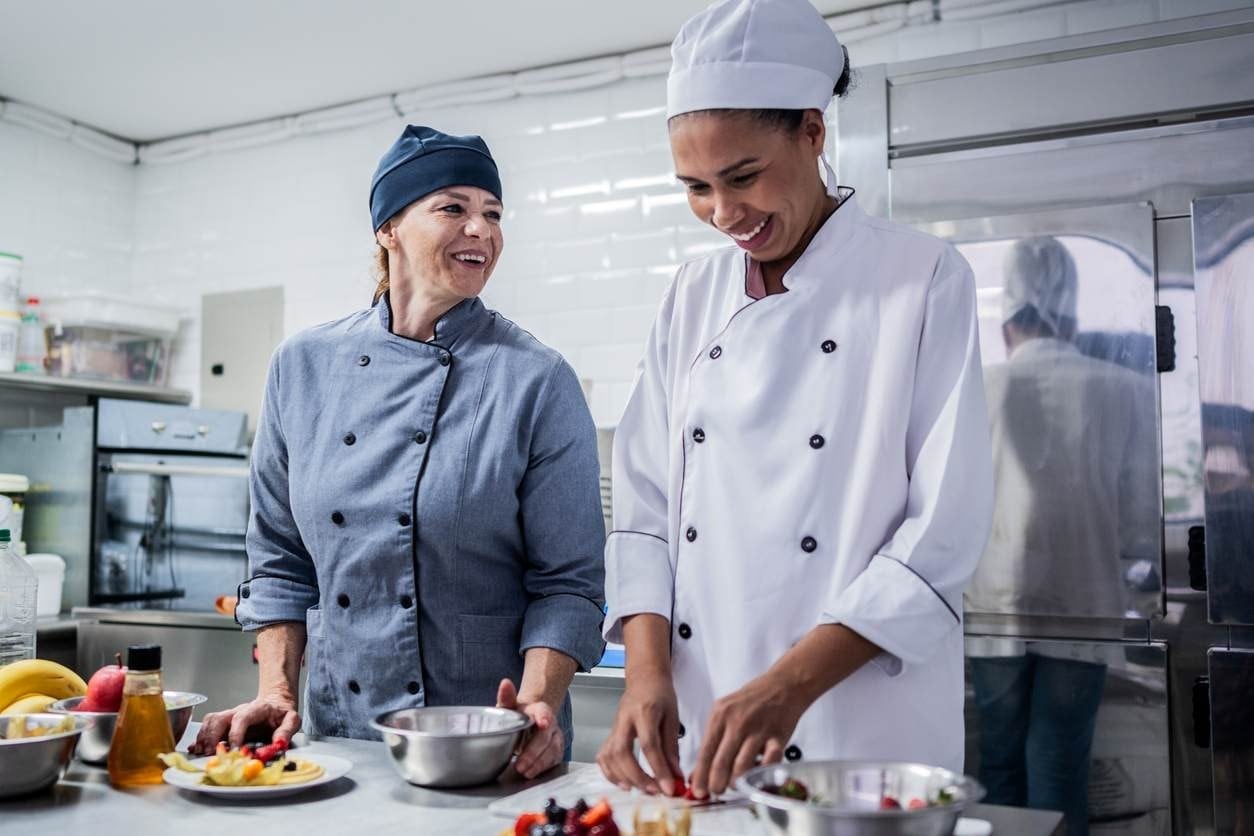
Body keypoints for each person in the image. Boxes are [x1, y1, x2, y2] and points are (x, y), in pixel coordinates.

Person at [597, 0, 994, 800]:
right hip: (707, 715)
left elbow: (941, 534)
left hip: (858, 717)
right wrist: (645, 674)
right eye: (696, 188)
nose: (723, 214)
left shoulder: (920, 277)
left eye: (742, 177)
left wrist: (788, 686)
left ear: (812, 131)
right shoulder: (691, 293)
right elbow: (643, 509)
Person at [192, 125, 607, 780]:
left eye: (494, 213)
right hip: (340, 739)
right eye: (453, 208)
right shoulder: (302, 368)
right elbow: (279, 560)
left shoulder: (536, 379)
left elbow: (568, 584)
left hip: (491, 741)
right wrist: (276, 691)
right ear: (388, 228)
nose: (481, 230)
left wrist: (536, 708)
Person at [967, 236, 1159, 836]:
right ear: (1072, 319)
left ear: (1006, 324)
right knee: (1058, 763)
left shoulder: (979, 390)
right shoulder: (1125, 388)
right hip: (1086, 608)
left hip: (992, 609)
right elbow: (1140, 524)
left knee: (998, 765)